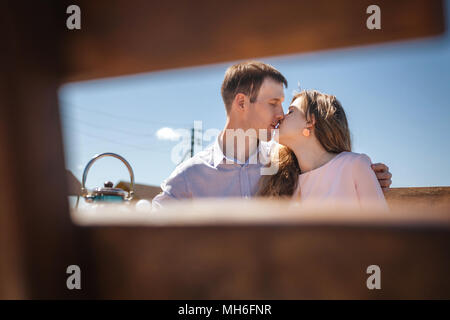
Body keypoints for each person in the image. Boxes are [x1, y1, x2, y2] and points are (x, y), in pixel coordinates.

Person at [152, 61, 392, 210]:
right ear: (242, 103)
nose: (280, 114)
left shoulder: (287, 163)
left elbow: (330, 171)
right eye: (273, 103)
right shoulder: (190, 176)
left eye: (286, 107)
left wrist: (369, 178)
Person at [258, 89, 388, 211]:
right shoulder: (283, 181)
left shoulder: (355, 166)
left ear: (311, 121)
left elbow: (384, 231)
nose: (281, 116)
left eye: (291, 111)